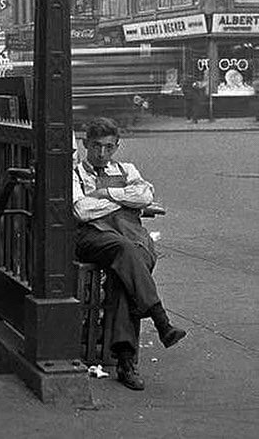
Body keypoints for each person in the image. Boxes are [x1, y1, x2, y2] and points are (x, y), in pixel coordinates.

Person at [73, 117, 186, 391]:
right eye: (96, 146)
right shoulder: (75, 173)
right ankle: (159, 319)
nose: (102, 153)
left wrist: (105, 194)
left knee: (126, 271)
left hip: (129, 240)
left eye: (109, 147)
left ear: (117, 147)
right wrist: (122, 201)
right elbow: (81, 211)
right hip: (93, 237)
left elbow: (145, 195)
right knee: (126, 252)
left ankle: (125, 359)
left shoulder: (127, 169)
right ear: (86, 144)